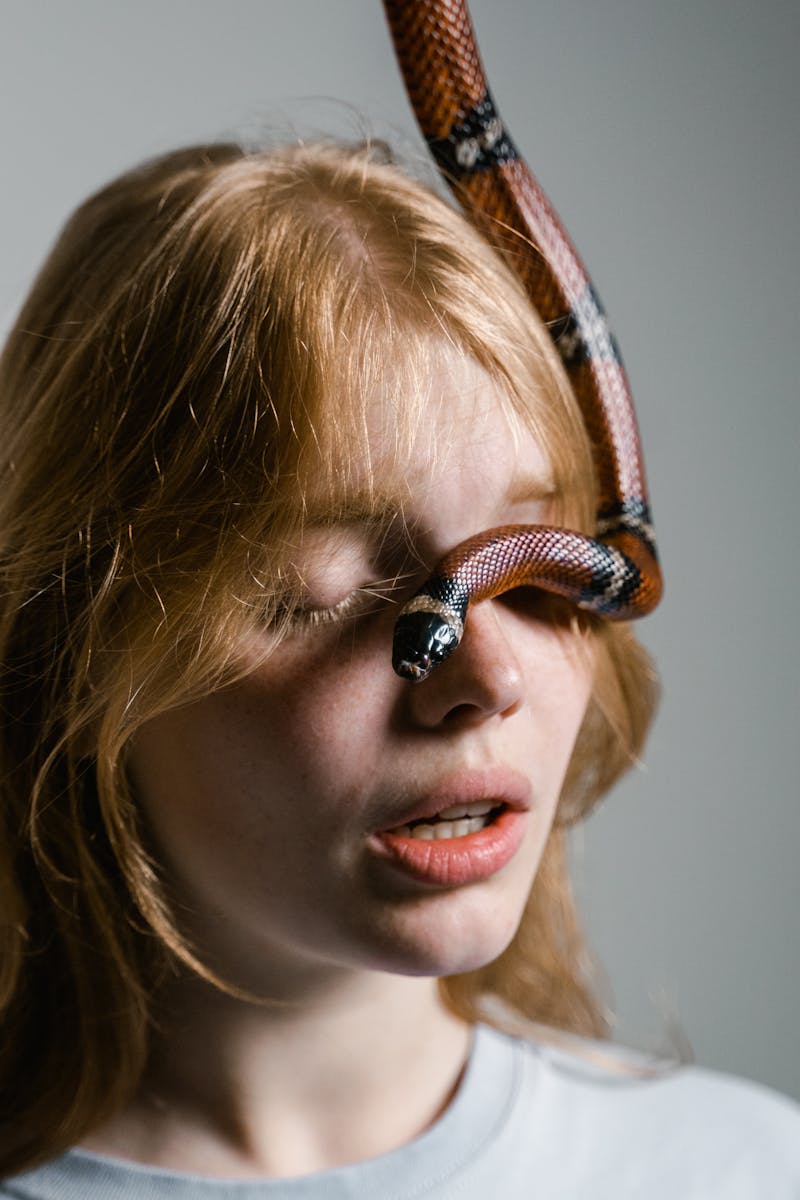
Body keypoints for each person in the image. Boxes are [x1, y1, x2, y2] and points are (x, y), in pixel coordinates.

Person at [0, 138, 797, 1198]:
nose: (488, 679)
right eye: (319, 591)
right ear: (74, 650)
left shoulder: (746, 1171)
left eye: (532, 573)